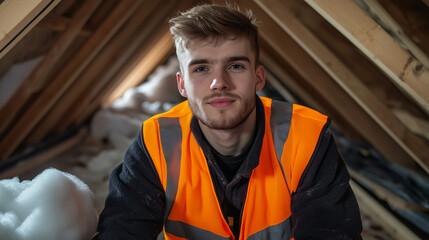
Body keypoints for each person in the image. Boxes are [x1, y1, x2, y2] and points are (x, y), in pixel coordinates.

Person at [94, 3, 362, 239]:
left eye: (235, 66)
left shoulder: (306, 138)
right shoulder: (157, 142)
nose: (218, 83)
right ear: (182, 85)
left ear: (259, 78)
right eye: (201, 68)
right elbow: (123, 228)